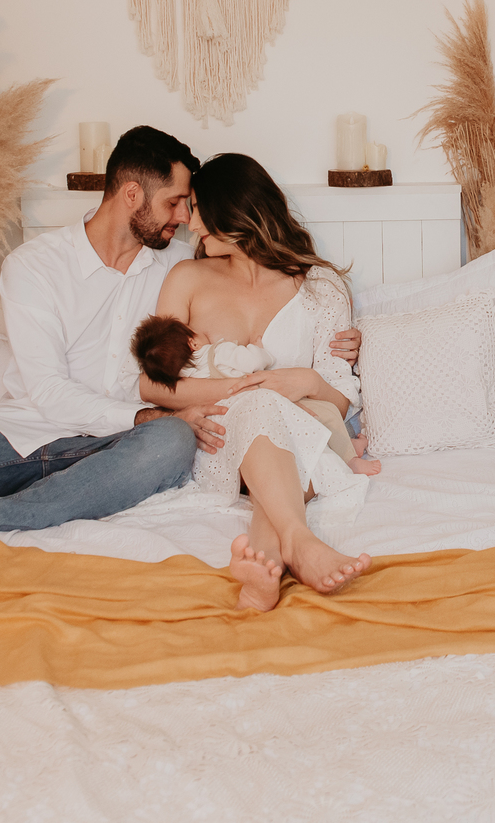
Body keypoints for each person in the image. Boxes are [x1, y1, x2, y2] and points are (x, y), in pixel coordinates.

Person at [0, 126, 360, 583]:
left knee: (171, 440)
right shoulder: (36, 266)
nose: (184, 219)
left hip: (128, 446)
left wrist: (342, 349)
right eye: (174, 203)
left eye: (189, 207)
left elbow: (251, 295)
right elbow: (47, 392)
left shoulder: (182, 265)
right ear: (132, 195)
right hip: (27, 428)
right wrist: (147, 414)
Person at [142, 153, 373, 613]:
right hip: (221, 440)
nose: (190, 223)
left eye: (198, 208)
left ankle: (267, 562)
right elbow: (153, 387)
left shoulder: (320, 287)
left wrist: (306, 379)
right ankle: (300, 542)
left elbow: (340, 403)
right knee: (259, 407)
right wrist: (250, 389)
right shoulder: (187, 278)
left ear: (233, 208)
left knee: (274, 422)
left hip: (302, 435)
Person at [130, 314, 381, 476]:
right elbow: (253, 361)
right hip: (268, 401)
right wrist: (259, 348)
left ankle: (343, 449)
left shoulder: (188, 379)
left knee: (299, 436)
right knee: (324, 413)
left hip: (240, 422)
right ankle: (350, 458)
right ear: (192, 343)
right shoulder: (217, 353)